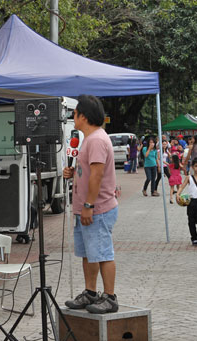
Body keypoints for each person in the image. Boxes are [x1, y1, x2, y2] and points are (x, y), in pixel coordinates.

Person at [63, 94, 119, 314]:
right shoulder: (89, 138)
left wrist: (89, 205)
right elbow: (88, 171)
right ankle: (90, 292)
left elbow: (97, 175)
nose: (73, 116)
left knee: (102, 253)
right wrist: (73, 172)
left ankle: (110, 297)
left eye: (75, 113)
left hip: (97, 209)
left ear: (83, 117)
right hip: (87, 209)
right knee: (89, 252)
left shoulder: (96, 140)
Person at [177, 157, 197, 247]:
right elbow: (182, 186)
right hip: (191, 202)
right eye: (196, 166)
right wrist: (178, 194)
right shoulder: (189, 178)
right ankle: (194, 238)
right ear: (192, 167)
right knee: (191, 221)